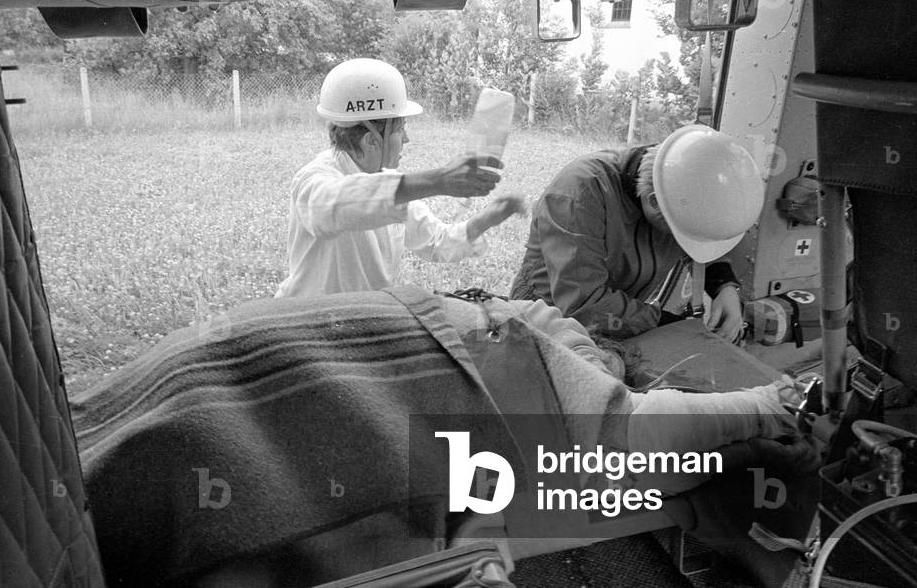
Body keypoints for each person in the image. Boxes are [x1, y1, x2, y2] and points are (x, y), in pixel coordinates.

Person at [71, 285, 814, 587]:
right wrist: (775, 402)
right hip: (210, 441)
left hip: (122, 422)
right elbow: (626, 440)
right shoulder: (516, 335)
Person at [275, 58, 525, 298]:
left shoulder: (394, 186)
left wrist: (488, 218)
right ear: (372, 140)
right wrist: (440, 180)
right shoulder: (313, 179)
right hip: (308, 325)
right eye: (400, 129)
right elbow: (334, 206)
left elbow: (437, 242)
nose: (406, 139)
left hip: (362, 323)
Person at [511, 124, 764, 341]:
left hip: (615, 318)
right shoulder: (580, 193)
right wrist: (665, 322)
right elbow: (583, 304)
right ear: (654, 202)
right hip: (546, 315)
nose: (683, 242)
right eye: (680, 234)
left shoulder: (682, 182)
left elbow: (701, 235)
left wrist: (724, 287)